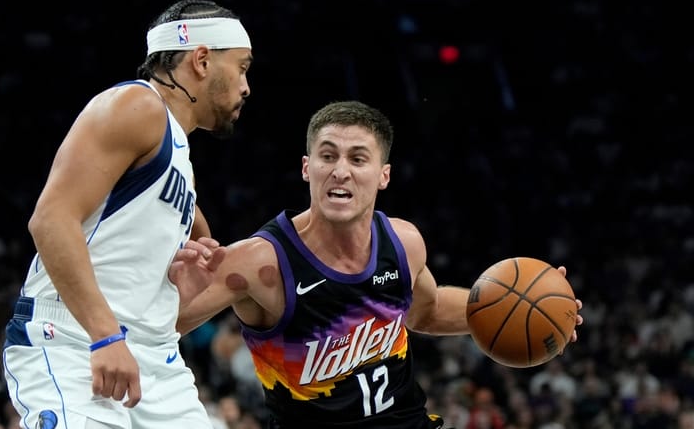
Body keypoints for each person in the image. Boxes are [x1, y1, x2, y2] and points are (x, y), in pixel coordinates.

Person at [172, 100, 584, 429]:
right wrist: (173, 286)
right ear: (307, 168)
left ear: (383, 175)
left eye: (357, 159)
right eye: (328, 156)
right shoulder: (259, 261)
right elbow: (158, 328)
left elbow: (427, 312)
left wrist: (532, 309)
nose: (340, 171)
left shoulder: (403, 242)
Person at [1, 0, 251, 428]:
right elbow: (51, 219)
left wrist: (176, 289)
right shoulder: (137, 105)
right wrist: (105, 335)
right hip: (77, 341)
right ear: (202, 60)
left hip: (155, 356)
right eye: (242, 68)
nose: (246, 87)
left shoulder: (180, 159)